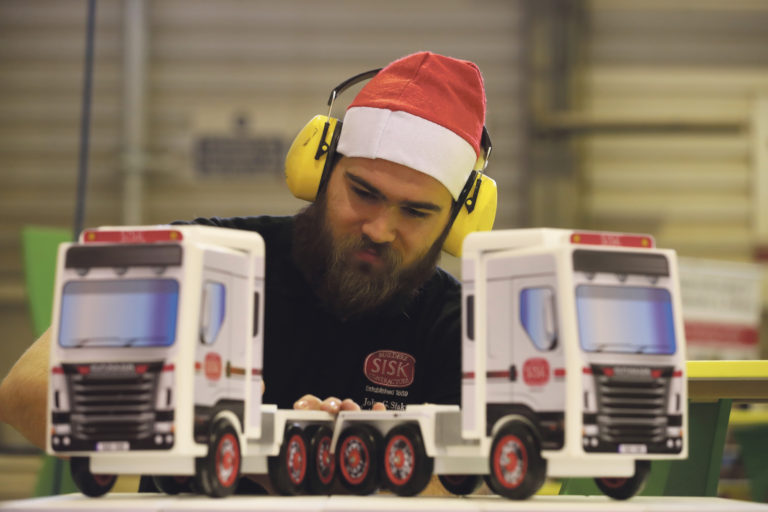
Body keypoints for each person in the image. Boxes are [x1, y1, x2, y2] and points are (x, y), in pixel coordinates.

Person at [0, 51, 494, 454]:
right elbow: (27, 392)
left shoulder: (458, 325)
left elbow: (491, 479)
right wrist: (236, 442)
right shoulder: (196, 257)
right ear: (318, 173)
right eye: (363, 193)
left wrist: (347, 462)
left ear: (455, 222)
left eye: (416, 212)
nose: (380, 229)